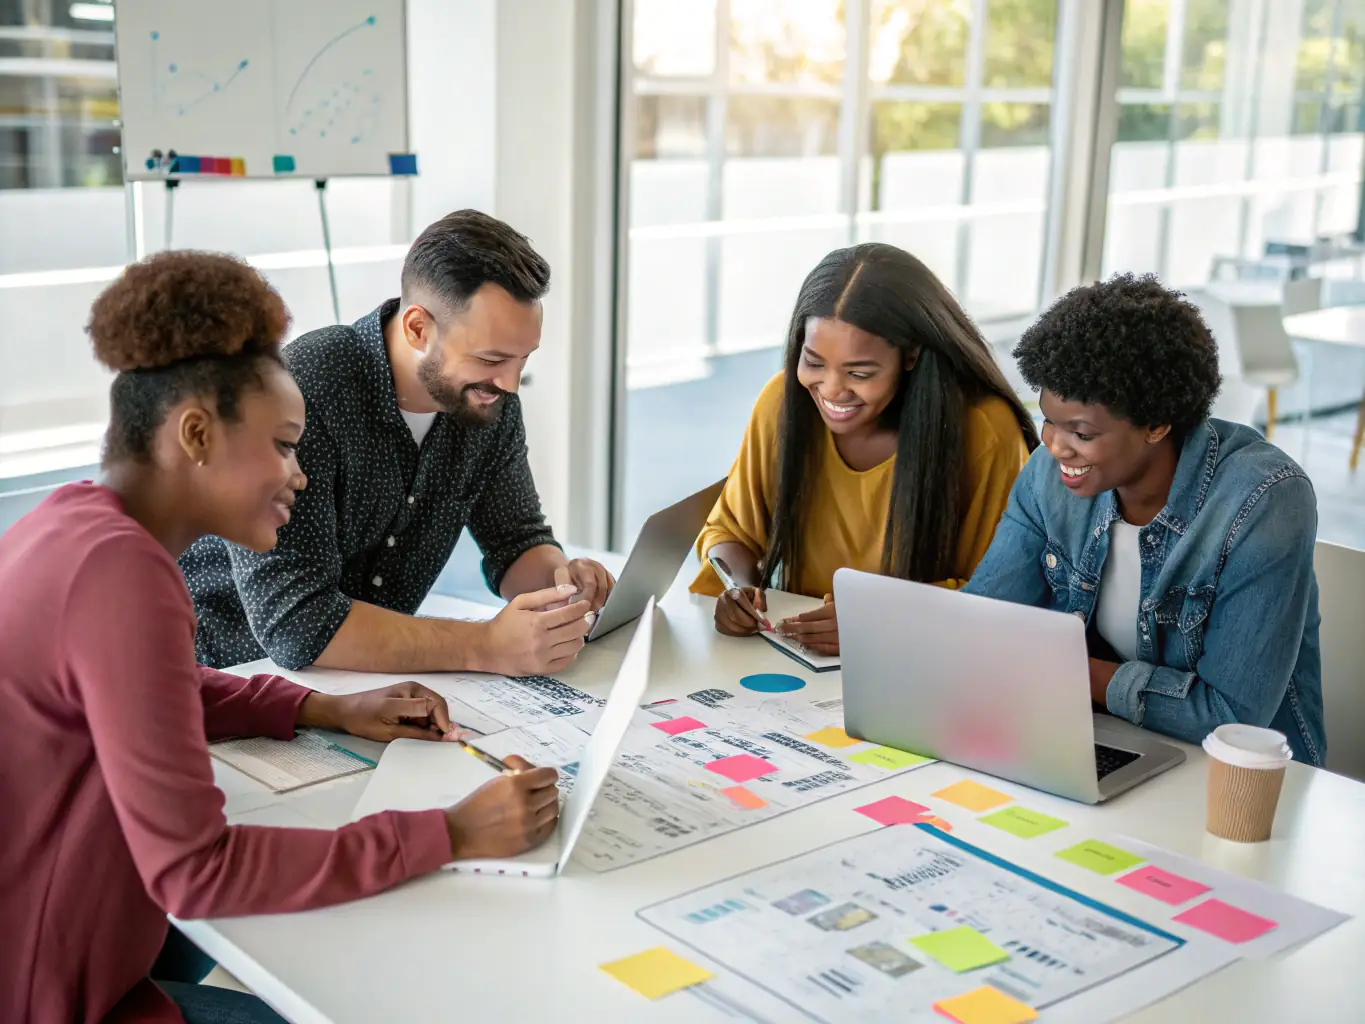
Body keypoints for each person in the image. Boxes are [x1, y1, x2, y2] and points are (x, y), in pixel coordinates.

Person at [0, 252, 560, 1024]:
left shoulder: (73, 525)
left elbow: (156, 693)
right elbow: (197, 872)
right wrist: (451, 830)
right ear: (195, 434)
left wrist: (318, 710)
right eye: (284, 445)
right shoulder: (121, 576)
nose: (299, 476)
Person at [181, 209, 615, 674]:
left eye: (522, 359)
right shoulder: (306, 389)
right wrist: (484, 644)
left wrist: (564, 589)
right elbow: (297, 625)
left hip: (364, 686)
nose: (510, 384)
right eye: (492, 358)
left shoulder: (489, 401)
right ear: (417, 329)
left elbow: (516, 539)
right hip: (227, 679)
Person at [964, 274, 1325, 765]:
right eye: (1048, 419)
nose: (1054, 446)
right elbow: (980, 624)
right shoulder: (1049, 477)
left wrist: (1064, 669)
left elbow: (1231, 717)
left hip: (1238, 781)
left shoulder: (1265, 500)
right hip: (1104, 742)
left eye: (1081, 432)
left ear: (1157, 423)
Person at [692, 243, 1038, 654]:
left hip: (926, 670)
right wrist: (739, 588)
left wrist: (880, 620)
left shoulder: (983, 430)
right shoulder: (782, 404)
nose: (832, 389)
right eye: (814, 362)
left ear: (911, 355)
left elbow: (1001, 596)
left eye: (859, 372)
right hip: (798, 663)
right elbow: (730, 531)